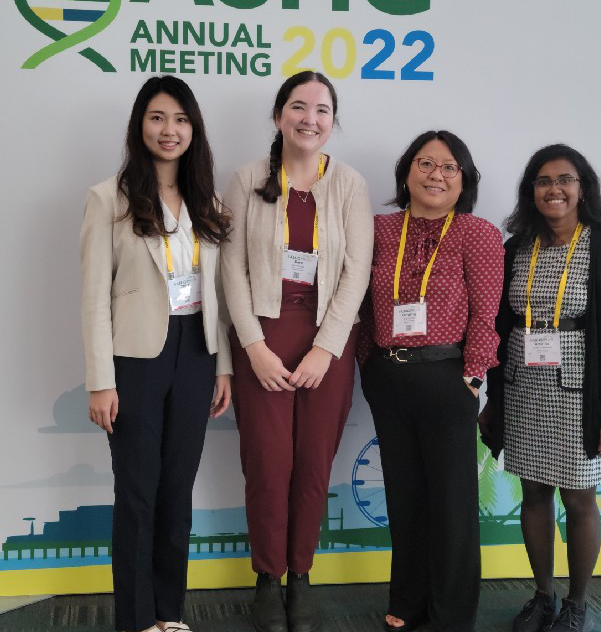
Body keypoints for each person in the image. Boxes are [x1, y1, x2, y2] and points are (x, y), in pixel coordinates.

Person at [221, 71, 373, 632]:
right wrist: (253, 346)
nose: (310, 118)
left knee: (312, 464)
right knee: (267, 463)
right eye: (298, 106)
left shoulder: (350, 184)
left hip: (327, 344)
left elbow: (357, 272)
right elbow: (229, 269)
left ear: (333, 122)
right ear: (279, 115)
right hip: (263, 336)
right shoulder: (245, 179)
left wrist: (325, 350)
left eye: (322, 110)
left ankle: (301, 574)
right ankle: (267, 575)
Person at [81, 75, 232, 632]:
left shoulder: (207, 202)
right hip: (136, 361)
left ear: (194, 130)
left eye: (181, 120)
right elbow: (94, 296)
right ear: (139, 125)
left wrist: (222, 366)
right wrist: (101, 379)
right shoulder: (108, 199)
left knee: (177, 490)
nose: (170, 131)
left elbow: (215, 293)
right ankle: (136, 619)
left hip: (195, 351)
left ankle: (169, 614)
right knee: (138, 492)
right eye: (158, 118)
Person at [479, 143, 601, 632]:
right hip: (523, 385)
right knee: (533, 493)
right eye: (543, 181)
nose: (554, 189)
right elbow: (499, 324)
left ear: (582, 188)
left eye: (564, 180)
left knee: (579, 498)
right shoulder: (516, 247)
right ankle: (543, 596)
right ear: (532, 191)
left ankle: (577, 603)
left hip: (579, 390)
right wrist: (493, 398)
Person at [358, 130, 504, 632]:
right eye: (425, 163)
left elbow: (488, 315)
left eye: (449, 167)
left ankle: (451, 615)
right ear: (406, 173)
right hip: (387, 376)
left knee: (451, 503)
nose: (435, 175)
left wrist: (472, 376)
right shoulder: (377, 229)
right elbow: (357, 301)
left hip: (447, 378)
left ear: (464, 181)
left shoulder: (476, 233)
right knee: (404, 497)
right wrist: (367, 363)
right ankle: (408, 599)